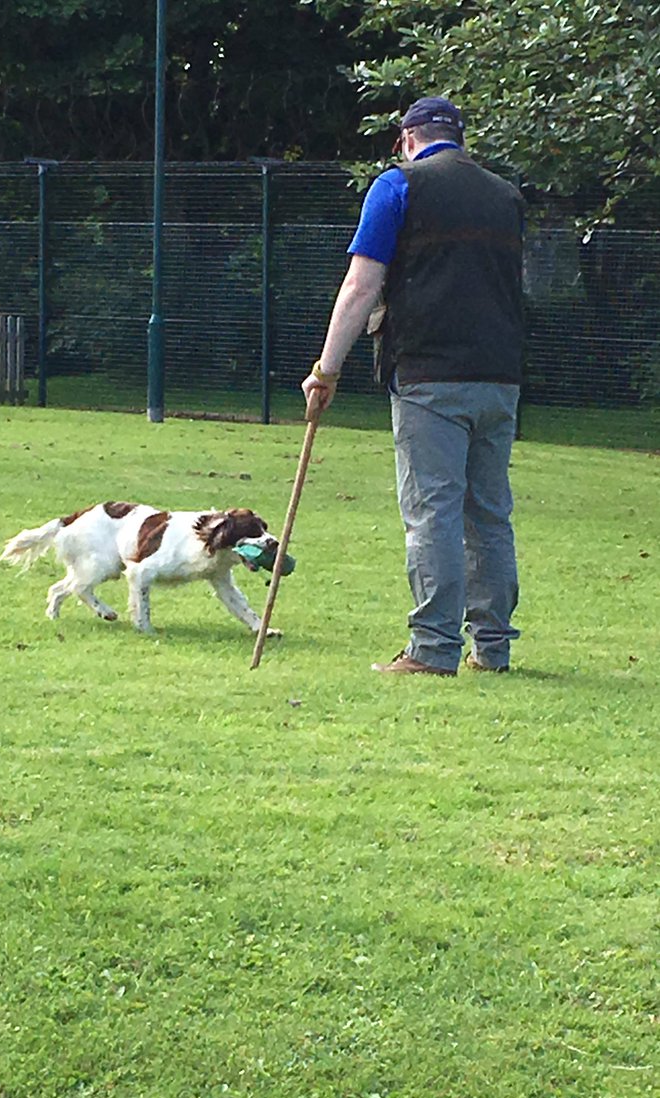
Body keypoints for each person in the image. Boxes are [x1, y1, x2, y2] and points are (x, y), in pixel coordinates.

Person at [302, 96, 525, 676]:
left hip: (429, 374)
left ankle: (431, 649)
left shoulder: (398, 186)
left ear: (406, 138)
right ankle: (493, 649)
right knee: (490, 514)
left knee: (433, 513)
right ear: (462, 139)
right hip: (500, 376)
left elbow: (361, 284)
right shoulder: (506, 196)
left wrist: (326, 368)